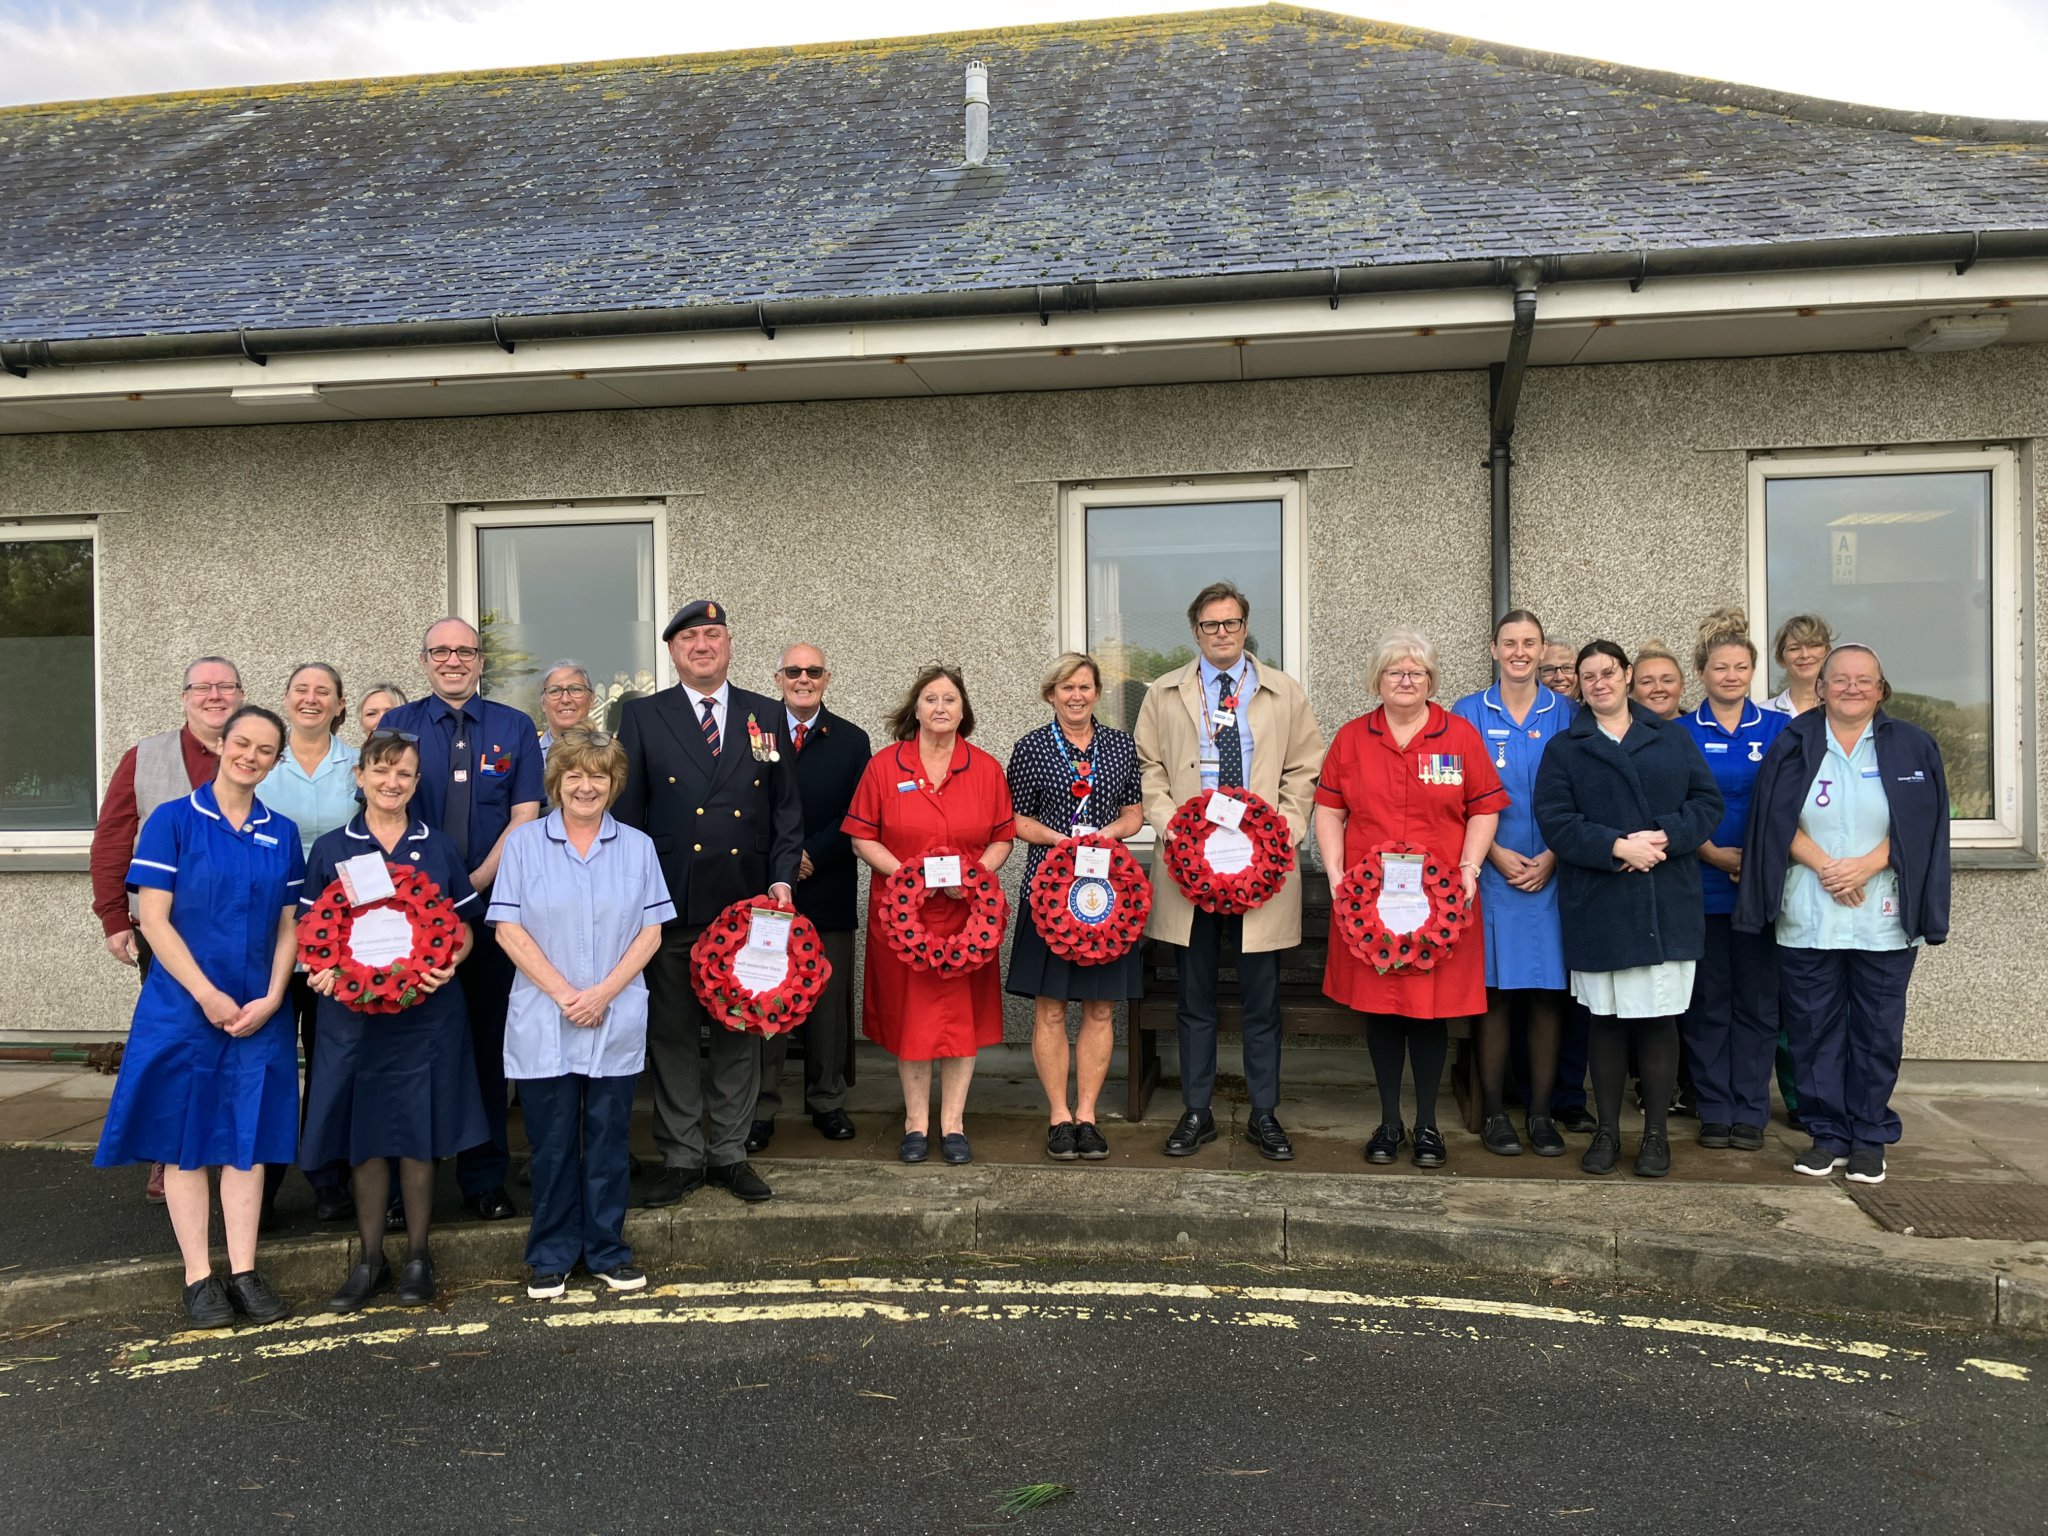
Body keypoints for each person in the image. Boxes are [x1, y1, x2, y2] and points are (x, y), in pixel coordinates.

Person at [93, 704, 302, 1328]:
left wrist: (271, 994)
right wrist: (208, 994)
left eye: (265, 749)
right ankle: (198, 1278)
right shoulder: (173, 820)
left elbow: (292, 923)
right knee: (186, 1144)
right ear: (221, 745)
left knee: (247, 1142)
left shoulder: (282, 831)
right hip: (185, 1006)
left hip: (258, 1009)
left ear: (275, 760)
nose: (250, 756)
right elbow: (153, 918)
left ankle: (243, 1269)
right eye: (242, 743)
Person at [1736, 643, 1950, 1186]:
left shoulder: (1912, 746)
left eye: (1864, 680)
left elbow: (1923, 826)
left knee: (1877, 1033)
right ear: (1823, 687)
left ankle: (1869, 1136)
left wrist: (1866, 867)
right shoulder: (1793, 742)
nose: (1852, 688)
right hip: (1809, 912)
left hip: (1882, 914)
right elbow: (1773, 819)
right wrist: (1832, 867)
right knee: (1811, 1031)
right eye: (1841, 679)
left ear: (1881, 689)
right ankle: (1827, 1133)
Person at [615, 600, 804, 1205]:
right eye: (690, 636)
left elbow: (785, 812)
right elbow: (628, 815)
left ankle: (727, 1152)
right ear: (673, 650)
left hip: (746, 902)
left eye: (713, 634)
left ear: (728, 645)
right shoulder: (643, 715)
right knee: (670, 1034)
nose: (702, 644)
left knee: (737, 1032)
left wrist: (781, 881)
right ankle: (678, 1155)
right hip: (670, 901)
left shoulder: (766, 713)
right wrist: (635, 896)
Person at [1135, 582, 1324, 1161]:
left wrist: (1285, 831)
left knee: (1261, 998)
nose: (1222, 633)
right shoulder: (1163, 693)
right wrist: (1175, 828)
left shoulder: (1281, 691)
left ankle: (1264, 1113)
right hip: (1191, 869)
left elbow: (1304, 768)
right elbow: (1151, 770)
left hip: (1259, 871)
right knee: (1194, 999)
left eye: (1232, 623)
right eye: (1211, 625)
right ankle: (1198, 1112)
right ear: (1195, 631)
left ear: (1246, 628)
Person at [301, 730, 488, 1311]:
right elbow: (311, 936)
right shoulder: (332, 847)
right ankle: (368, 1258)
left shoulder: (437, 846)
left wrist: (450, 962)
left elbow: (461, 929)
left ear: (416, 781)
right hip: (352, 1019)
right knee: (364, 1135)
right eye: (381, 771)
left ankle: (417, 1257)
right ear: (359, 777)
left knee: (416, 1131)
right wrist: (320, 971)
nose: (392, 782)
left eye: (404, 773)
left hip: (424, 1014)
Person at [490, 728, 673, 1298]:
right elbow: (508, 928)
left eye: (598, 775)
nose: (586, 785)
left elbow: (650, 931)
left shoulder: (638, 846)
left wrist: (601, 994)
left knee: (607, 1143)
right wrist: (567, 993)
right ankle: (550, 1254)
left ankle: (607, 1250)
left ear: (614, 784)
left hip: (612, 1015)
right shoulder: (523, 845)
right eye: (574, 775)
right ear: (556, 782)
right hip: (546, 1017)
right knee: (549, 1146)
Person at [1534, 641, 1723, 1179]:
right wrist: (1618, 846)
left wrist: (1665, 838)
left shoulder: (1672, 737)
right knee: (1608, 1024)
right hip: (1602, 903)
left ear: (1627, 677)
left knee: (1659, 1022)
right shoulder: (1565, 748)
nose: (1599, 683)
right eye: (1588, 676)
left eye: (1608, 673)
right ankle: (1608, 1132)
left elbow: (1707, 803)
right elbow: (1556, 820)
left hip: (1664, 899)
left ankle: (1657, 1135)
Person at [376, 618, 544, 1222]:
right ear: (424, 660)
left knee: (486, 1050)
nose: (453, 660)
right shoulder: (398, 728)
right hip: (408, 918)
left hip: (491, 913)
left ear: (480, 661)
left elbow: (524, 813)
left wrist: (467, 888)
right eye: (441, 651)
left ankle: (483, 1178)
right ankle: (400, 1187)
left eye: (465, 651)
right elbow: (383, 810)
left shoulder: (513, 726)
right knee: (408, 1051)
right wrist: (425, 901)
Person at [1319, 628, 1503, 1169]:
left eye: (1417, 673)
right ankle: (1388, 1122)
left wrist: (1470, 865)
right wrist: (1334, 871)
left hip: (1440, 908)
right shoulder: (1352, 738)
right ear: (1377, 680)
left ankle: (1427, 1125)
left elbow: (1485, 807)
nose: (1406, 680)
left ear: (1431, 681)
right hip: (1369, 907)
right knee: (1382, 1013)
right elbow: (1329, 810)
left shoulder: (1460, 736)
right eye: (1396, 671)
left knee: (1428, 1015)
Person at [847, 665, 1015, 1166]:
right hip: (903, 921)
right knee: (912, 1022)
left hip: (967, 918)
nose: (940, 707)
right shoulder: (884, 766)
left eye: (949, 699)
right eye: (930, 699)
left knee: (961, 1022)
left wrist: (976, 879)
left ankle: (954, 1124)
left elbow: (1002, 837)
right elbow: (861, 835)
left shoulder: (985, 768)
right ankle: (916, 1123)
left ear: (964, 712)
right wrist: (905, 878)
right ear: (915, 709)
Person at [90, 654, 244, 1203]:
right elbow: (112, 839)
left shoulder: (257, 754)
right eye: (203, 687)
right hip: (165, 933)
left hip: (241, 932)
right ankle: (168, 1156)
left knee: (234, 1046)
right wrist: (112, 914)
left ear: (241, 695)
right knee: (173, 1047)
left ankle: (227, 1151)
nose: (214, 695)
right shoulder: (144, 758)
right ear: (184, 697)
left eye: (226, 686)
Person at [1005, 653, 1145, 1162]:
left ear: (1097, 692)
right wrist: (1061, 841)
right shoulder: (1030, 748)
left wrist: (1106, 835)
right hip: (1049, 894)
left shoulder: (1120, 745)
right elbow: (1015, 820)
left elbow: (1135, 812)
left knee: (1102, 1007)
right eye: (1066, 688)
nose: (1077, 696)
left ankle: (1088, 1115)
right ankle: (1058, 1116)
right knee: (1051, 1008)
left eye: (1085, 686)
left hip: (1109, 897)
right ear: (1051, 695)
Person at [1452, 611, 1573, 1158]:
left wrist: (1553, 854)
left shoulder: (1566, 713)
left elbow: (1582, 794)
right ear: (1494, 649)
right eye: (1510, 643)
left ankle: (1542, 1115)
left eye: (1530, 643)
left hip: (1553, 872)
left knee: (1548, 996)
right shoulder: (1467, 713)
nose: (1520, 652)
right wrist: (1494, 854)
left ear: (1542, 650)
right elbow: (1456, 799)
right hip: (1493, 874)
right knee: (1495, 997)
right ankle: (1497, 1112)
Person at [748, 644, 870, 1151]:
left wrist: (809, 856)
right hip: (767, 893)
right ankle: (761, 1108)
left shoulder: (851, 740)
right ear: (778, 677)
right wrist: (780, 862)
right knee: (768, 995)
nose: (803, 678)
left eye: (813, 671)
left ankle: (827, 1100)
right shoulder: (753, 733)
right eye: (793, 671)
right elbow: (746, 803)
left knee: (826, 1004)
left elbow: (860, 815)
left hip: (827, 883)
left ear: (827, 678)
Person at [1677, 609, 1789, 1153]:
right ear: (1702, 672)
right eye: (1720, 667)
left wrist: (1757, 860)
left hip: (1761, 888)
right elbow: (1668, 808)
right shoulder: (1679, 733)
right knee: (1707, 1004)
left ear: (1752, 672)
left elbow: (1794, 806)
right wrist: (1715, 855)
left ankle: (1750, 1110)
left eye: (1741, 667)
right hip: (1702, 886)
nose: (1730, 676)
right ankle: (1714, 1108)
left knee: (1758, 1004)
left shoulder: (1778, 730)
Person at [254, 662, 361, 1224]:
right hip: (271, 936)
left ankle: (328, 1178)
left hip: (341, 944)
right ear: (287, 699)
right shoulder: (262, 762)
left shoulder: (357, 768)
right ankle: (261, 1188)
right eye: (302, 690)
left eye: (324, 691)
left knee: (332, 1064)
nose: (312, 699)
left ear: (340, 705)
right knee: (268, 1065)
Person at [1534, 636, 1593, 1130]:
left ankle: (1569, 1094)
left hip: (1577, 871)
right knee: (1530, 992)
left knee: (1573, 994)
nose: (1558, 676)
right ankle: (1524, 1090)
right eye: (1548, 669)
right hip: (1520, 869)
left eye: (1565, 668)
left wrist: (1556, 853)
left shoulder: (1585, 721)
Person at [1766, 613, 1833, 716]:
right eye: (1794, 648)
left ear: (1827, 652)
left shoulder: (1843, 712)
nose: (1805, 655)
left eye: (1813, 646)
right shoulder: (1762, 714)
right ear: (1781, 659)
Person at [537, 661, 597, 757]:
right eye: (555, 691)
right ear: (543, 703)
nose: (565, 699)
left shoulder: (612, 753)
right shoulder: (526, 754)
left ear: (592, 699)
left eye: (575, 689)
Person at [1630, 640, 1686, 722]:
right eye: (1647, 682)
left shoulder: (1702, 731)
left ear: (1681, 687)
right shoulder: (1621, 733)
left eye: (1667, 681)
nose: (1658, 689)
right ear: (1631, 689)